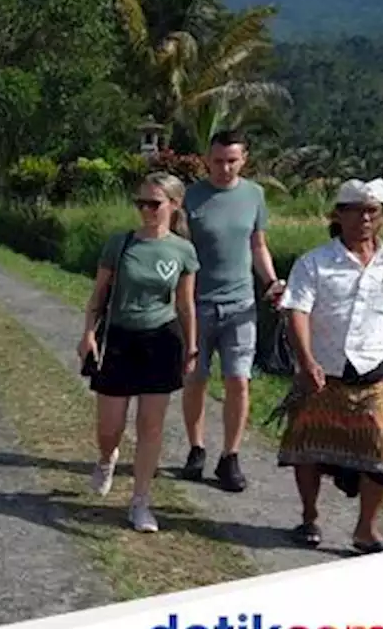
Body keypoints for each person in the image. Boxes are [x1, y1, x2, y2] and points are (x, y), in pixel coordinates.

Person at [275, 178, 383, 554]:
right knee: (309, 446)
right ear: (339, 215)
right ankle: (310, 516)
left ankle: (366, 529)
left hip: (374, 369)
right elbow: (297, 311)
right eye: (355, 212)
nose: (364, 219)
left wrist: (382, 349)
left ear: (382, 216)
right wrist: (307, 360)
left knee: (381, 451)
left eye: (372, 212)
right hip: (324, 369)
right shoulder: (315, 263)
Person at [78, 172, 200, 532]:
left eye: (154, 204)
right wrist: (87, 333)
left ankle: (140, 501)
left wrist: (191, 345)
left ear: (174, 206)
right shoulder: (121, 243)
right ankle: (106, 458)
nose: (146, 210)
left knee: (151, 425)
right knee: (110, 426)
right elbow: (98, 294)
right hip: (119, 338)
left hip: (161, 340)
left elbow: (186, 304)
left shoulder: (183, 250)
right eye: (141, 203)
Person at [179, 130, 286, 492]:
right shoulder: (190, 197)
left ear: (244, 160)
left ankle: (231, 456)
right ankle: (196, 448)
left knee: (239, 380)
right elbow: (180, 249)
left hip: (241, 304)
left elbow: (258, 245)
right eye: (218, 160)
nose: (224, 167)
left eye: (232, 160)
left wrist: (271, 282)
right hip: (197, 304)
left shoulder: (254, 195)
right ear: (206, 159)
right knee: (195, 378)